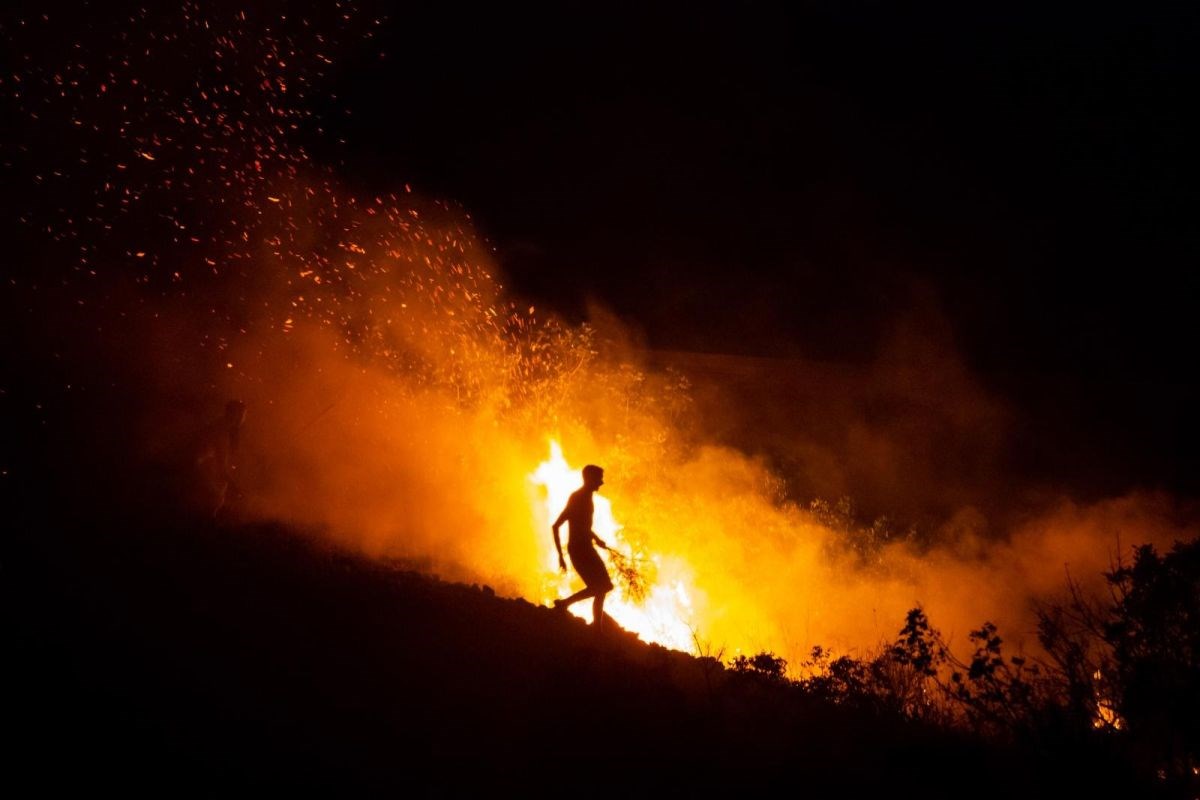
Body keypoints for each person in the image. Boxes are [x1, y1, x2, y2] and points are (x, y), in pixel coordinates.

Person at [551, 464, 614, 630]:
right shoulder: (578, 498)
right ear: (590, 479)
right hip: (579, 549)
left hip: (585, 547)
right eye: (599, 479)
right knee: (601, 587)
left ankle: (596, 627)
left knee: (603, 587)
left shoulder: (586, 497)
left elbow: (583, 526)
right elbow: (556, 525)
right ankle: (567, 605)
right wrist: (560, 556)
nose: (601, 482)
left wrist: (597, 539)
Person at [194, 399, 246, 518]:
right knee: (213, 498)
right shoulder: (221, 432)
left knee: (219, 488)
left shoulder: (221, 425)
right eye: (243, 414)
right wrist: (236, 488)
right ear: (236, 415)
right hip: (193, 467)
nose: (244, 419)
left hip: (199, 465)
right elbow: (221, 468)